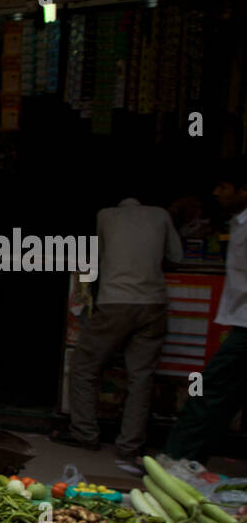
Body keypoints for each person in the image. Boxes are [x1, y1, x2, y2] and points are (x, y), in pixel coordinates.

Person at [56, 194, 182, 460]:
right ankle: (130, 445)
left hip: (115, 302)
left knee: (84, 366)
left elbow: (97, 258)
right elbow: (177, 256)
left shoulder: (105, 215)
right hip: (153, 303)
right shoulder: (161, 214)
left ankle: (85, 433)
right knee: (141, 376)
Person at [166, 160, 247, 463]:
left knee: (209, 390)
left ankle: (177, 459)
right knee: (222, 395)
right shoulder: (238, 222)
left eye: (224, 187)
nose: (216, 193)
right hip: (239, 320)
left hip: (245, 325)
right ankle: (191, 459)